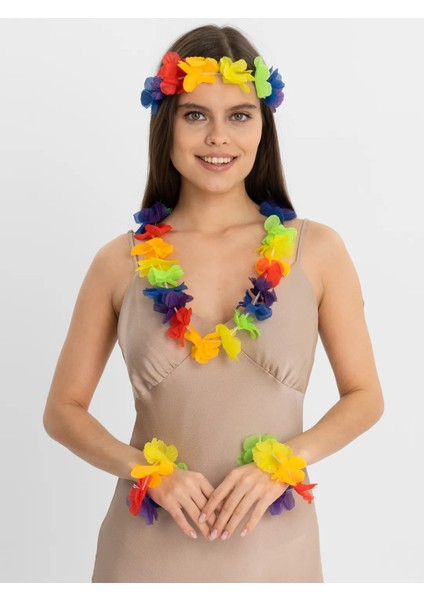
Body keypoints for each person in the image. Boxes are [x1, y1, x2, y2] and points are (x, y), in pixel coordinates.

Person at [43, 24, 384, 583]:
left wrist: (286, 463)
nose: (218, 137)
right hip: (143, 556)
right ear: (167, 124)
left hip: (277, 554)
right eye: (196, 115)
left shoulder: (317, 250)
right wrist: (146, 471)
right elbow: (63, 410)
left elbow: (365, 397)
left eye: (240, 115)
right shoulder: (118, 261)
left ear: (263, 127)